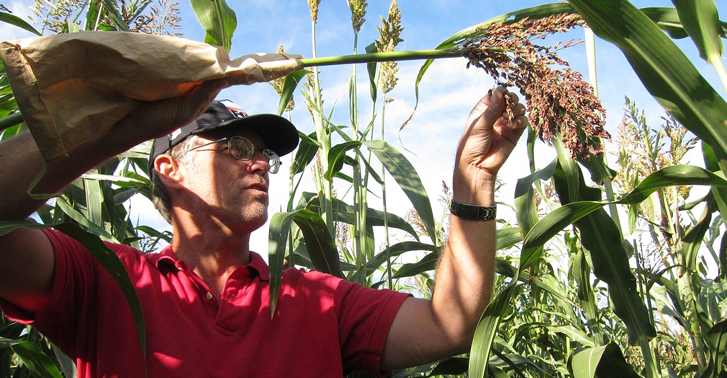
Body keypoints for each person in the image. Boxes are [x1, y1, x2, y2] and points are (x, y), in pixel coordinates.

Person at [0, 79, 527, 377]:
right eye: (237, 148)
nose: (261, 165)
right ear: (168, 167)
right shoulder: (108, 280)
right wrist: (121, 130)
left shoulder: (315, 299)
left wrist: (473, 183)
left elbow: (449, 325)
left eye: (265, 154)